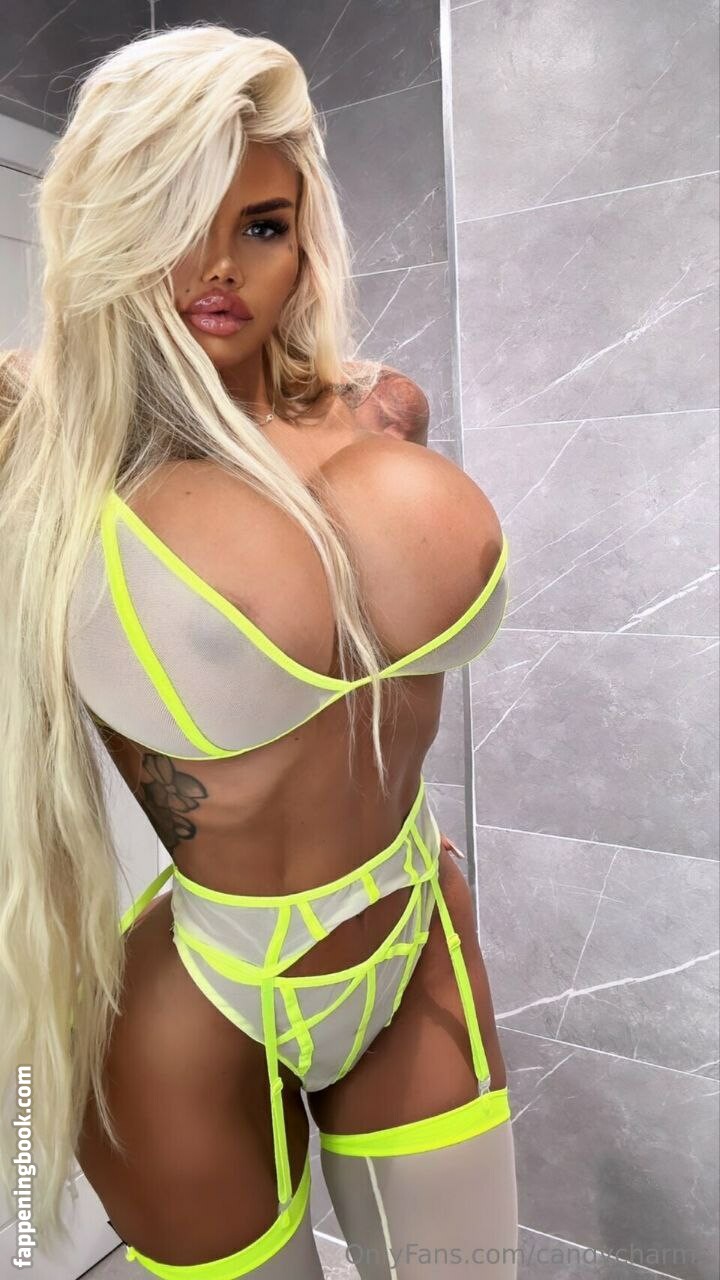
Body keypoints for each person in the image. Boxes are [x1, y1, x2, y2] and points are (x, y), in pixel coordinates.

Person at [0, 24, 517, 1279]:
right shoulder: (40, 439)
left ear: (304, 239)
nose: (218, 265)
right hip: (204, 994)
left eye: (262, 225)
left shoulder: (384, 408)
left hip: (412, 924)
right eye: (173, 216)